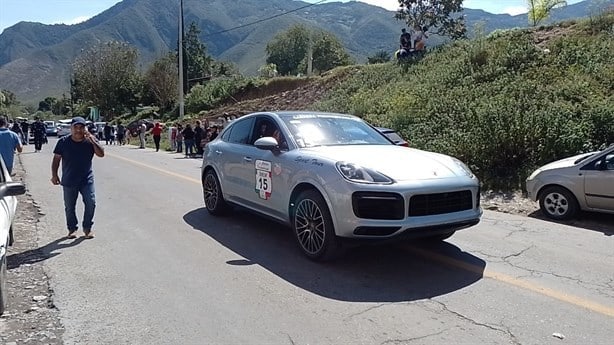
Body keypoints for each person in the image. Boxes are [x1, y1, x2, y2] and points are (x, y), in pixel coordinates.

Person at [51, 116, 105, 239]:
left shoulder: (90, 141)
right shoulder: (63, 142)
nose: (78, 130)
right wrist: (54, 175)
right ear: (71, 128)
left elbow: (101, 154)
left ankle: (87, 228)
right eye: (76, 127)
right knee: (70, 207)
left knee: (91, 203)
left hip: (86, 180)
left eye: (81, 127)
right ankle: (72, 229)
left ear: (85, 128)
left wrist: (92, 139)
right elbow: (56, 159)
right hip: (69, 180)